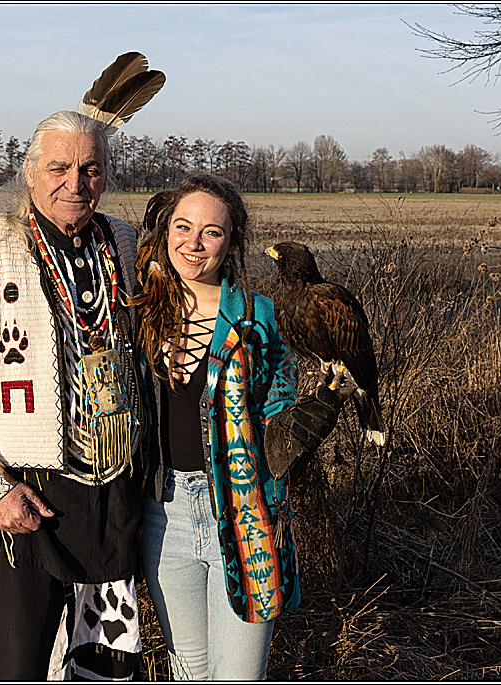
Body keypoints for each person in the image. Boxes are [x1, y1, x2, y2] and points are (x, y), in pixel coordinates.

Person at [0, 110, 146, 680]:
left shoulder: (124, 243)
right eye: (59, 167)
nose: (76, 183)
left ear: (107, 174)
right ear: (30, 171)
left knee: (103, 665)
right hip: (27, 503)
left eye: (91, 168)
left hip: (112, 504)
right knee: (15, 666)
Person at [131, 174, 349, 680]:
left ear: (232, 241)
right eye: (183, 227)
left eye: (211, 231)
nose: (194, 243)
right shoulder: (140, 314)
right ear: (165, 232)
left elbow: (279, 422)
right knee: (189, 673)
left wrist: (322, 408)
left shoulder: (261, 318)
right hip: (163, 518)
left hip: (246, 514)